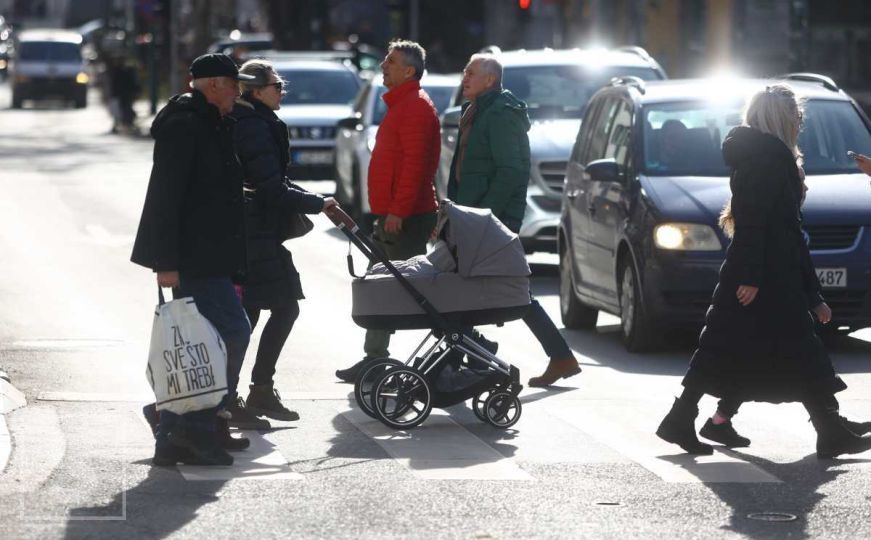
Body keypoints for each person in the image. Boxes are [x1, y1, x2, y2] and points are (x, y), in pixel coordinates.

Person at [655, 84, 871, 458]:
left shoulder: (769, 155)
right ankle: (830, 429)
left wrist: (812, 293)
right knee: (786, 349)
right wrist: (752, 276)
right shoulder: (767, 158)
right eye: (796, 115)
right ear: (781, 118)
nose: (800, 122)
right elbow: (755, 222)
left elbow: (787, 230)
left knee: (742, 348)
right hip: (763, 271)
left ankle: (690, 419)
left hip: (772, 268)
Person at [132, 53, 256, 466]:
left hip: (211, 254)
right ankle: (194, 428)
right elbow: (166, 198)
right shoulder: (186, 126)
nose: (239, 91)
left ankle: (173, 430)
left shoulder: (214, 123)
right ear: (213, 84)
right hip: (192, 257)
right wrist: (164, 260)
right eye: (234, 83)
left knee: (201, 346)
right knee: (231, 333)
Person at [446, 53, 581, 388]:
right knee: (486, 286)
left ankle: (472, 351)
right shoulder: (475, 110)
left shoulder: (502, 114)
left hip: (491, 218)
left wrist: (486, 217)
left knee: (501, 289)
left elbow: (511, 171)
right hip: (472, 214)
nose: (464, 77)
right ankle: (481, 350)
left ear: (490, 80)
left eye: (470, 72)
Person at [230, 59, 338, 424]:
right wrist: (316, 203)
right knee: (268, 310)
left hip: (254, 229)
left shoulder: (255, 121)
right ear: (257, 90)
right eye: (277, 86)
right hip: (253, 231)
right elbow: (270, 186)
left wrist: (317, 199)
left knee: (255, 312)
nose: (282, 92)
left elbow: (273, 181)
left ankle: (249, 391)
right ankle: (241, 394)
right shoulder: (254, 126)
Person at [335, 40, 440, 382]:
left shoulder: (415, 107)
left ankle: (378, 358)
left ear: (408, 71)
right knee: (393, 288)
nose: (383, 65)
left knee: (389, 288)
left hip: (404, 218)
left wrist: (398, 211)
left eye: (391, 62)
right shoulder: (403, 105)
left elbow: (416, 168)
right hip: (397, 215)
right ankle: (376, 356)